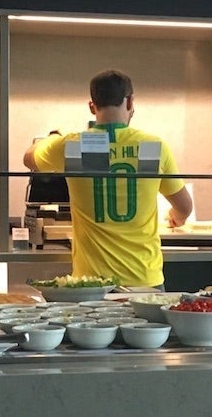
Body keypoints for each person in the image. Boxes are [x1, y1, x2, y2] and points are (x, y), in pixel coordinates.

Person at [22, 69, 193, 288]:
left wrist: (53, 138)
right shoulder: (154, 146)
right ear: (130, 101)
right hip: (144, 279)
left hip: (92, 284)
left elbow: (29, 158)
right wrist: (176, 217)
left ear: (92, 106)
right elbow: (185, 207)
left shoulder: (72, 145)